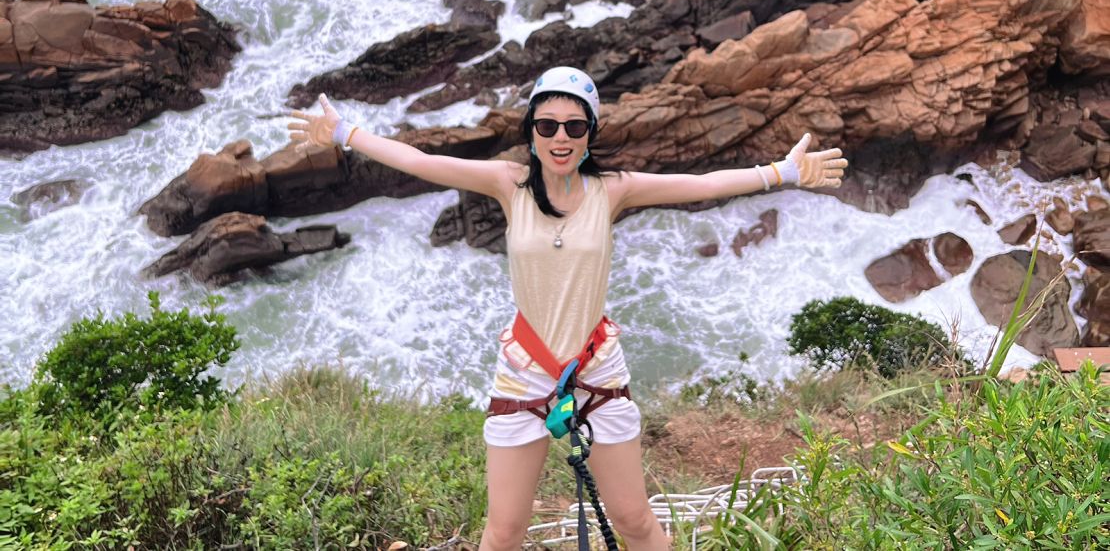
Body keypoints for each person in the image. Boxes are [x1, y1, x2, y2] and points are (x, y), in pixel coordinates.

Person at [288, 66, 848, 550]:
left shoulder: (614, 189)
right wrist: (344, 132)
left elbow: (700, 183)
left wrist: (783, 172)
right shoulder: (507, 184)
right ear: (531, 133)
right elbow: (421, 161)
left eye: (574, 126)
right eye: (547, 125)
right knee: (504, 532)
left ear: (590, 134)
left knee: (633, 518)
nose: (560, 137)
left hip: (595, 369)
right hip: (523, 372)